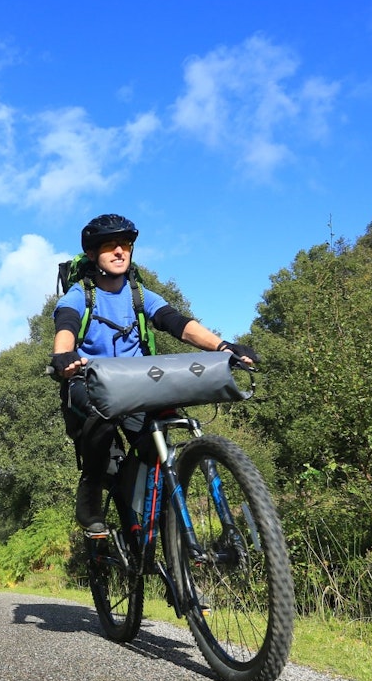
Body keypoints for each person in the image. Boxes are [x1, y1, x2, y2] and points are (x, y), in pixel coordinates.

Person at [51, 213, 257, 536]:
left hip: (136, 385)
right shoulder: (81, 294)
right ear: (92, 254)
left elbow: (178, 323)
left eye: (125, 245)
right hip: (91, 382)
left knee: (157, 438)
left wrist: (222, 346)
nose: (120, 251)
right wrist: (64, 354)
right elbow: (65, 324)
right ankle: (91, 489)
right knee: (100, 419)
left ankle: (148, 518)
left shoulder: (140, 294)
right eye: (109, 246)